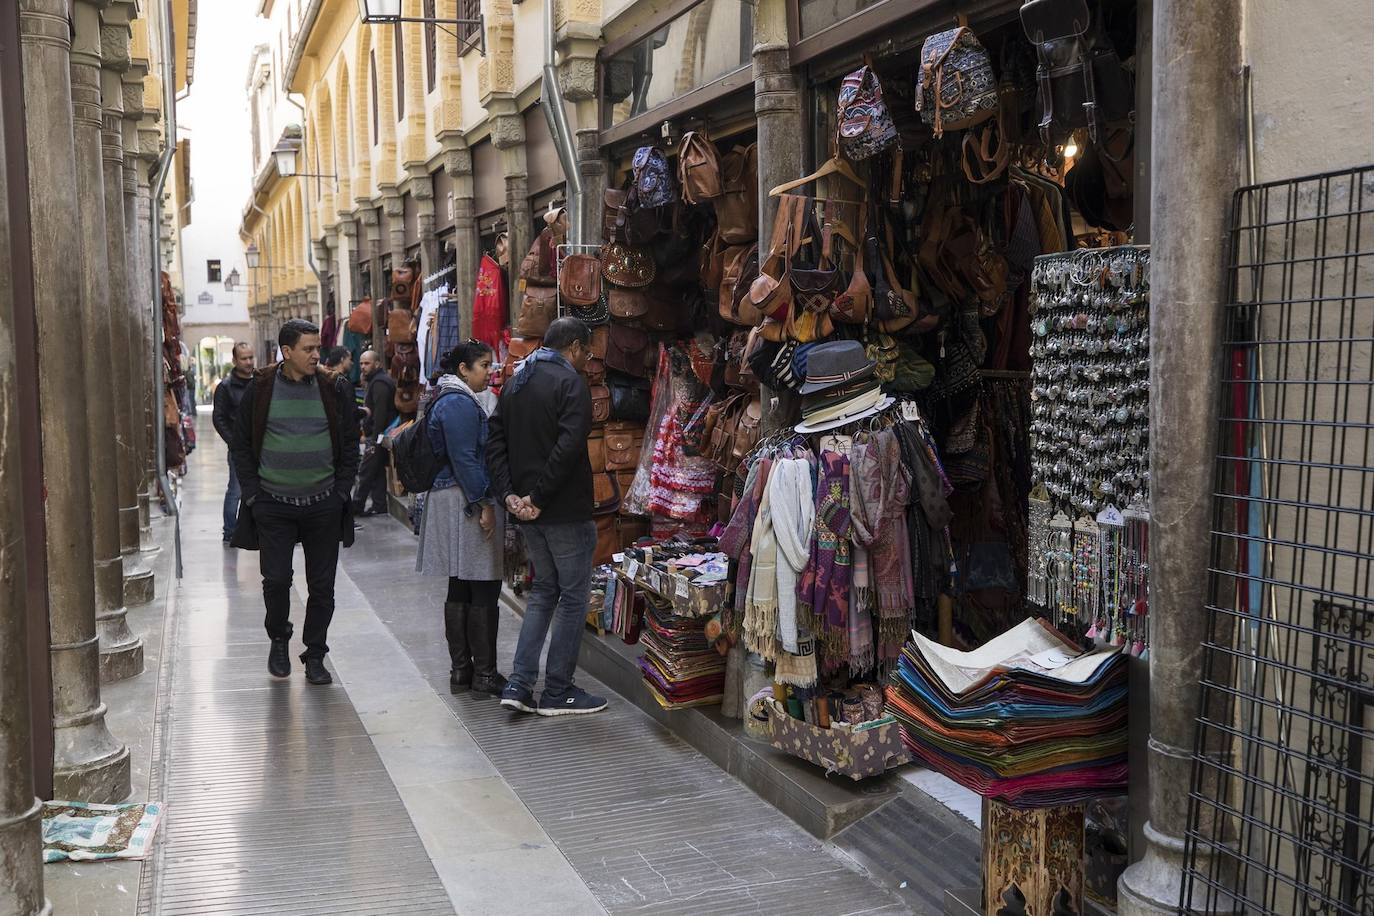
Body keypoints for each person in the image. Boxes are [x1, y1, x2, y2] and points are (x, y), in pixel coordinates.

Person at [228, 319, 360, 685]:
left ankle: (315, 653)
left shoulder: (334, 388)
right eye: (308, 349)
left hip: (323, 503)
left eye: (318, 347)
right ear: (287, 352)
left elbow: (351, 443)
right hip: (273, 504)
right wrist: (254, 494)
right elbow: (241, 444)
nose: (317, 354)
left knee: (322, 588)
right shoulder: (262, 388)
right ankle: (279, 638)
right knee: (276, 580)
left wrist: (341, 491)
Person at [487, 317, 607, 717]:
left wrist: (510, 494)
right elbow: (570, 445)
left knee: (544, 592)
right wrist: (538, 496)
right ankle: (557, 689)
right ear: (573, 347)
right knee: (572, 598)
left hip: (528, 509)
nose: (586, 361)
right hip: (562, 509)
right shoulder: (570, 382)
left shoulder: (517, 381)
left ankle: (520, 684)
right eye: (586, 353)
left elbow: (496, 439)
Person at [416, 340, 507, 695]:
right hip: (463, 499)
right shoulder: (458, 403)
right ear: (463, 370)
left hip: (454, 497)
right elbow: (466, 460)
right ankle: (482, 674)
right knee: (482, 582)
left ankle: (463, 672)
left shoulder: (450, 398)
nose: (490, 372)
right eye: (484, 365)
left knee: (461, 584)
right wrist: (485, 503)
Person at [211, 343, 256, 543]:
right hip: (239, 448)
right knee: (236, 489)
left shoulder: (259, 382)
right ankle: (229, 530)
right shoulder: (226, 387)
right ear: (235, 361)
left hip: (261, 445)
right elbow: (219, 418)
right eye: (244, 358)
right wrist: (233, 441)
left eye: (250, 357)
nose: (248, 362)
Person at [353, 349, 397, 516]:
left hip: (379, 436)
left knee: (365, 471)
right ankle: (379, 505)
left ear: (377, 364)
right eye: (361, 363)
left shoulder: (379, 383)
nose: (363, 367)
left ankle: (356, 506)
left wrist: (375, 440)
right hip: (378, 435)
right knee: (376, 471)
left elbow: (381, 414)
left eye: (367, 363)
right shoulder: (376, 381)